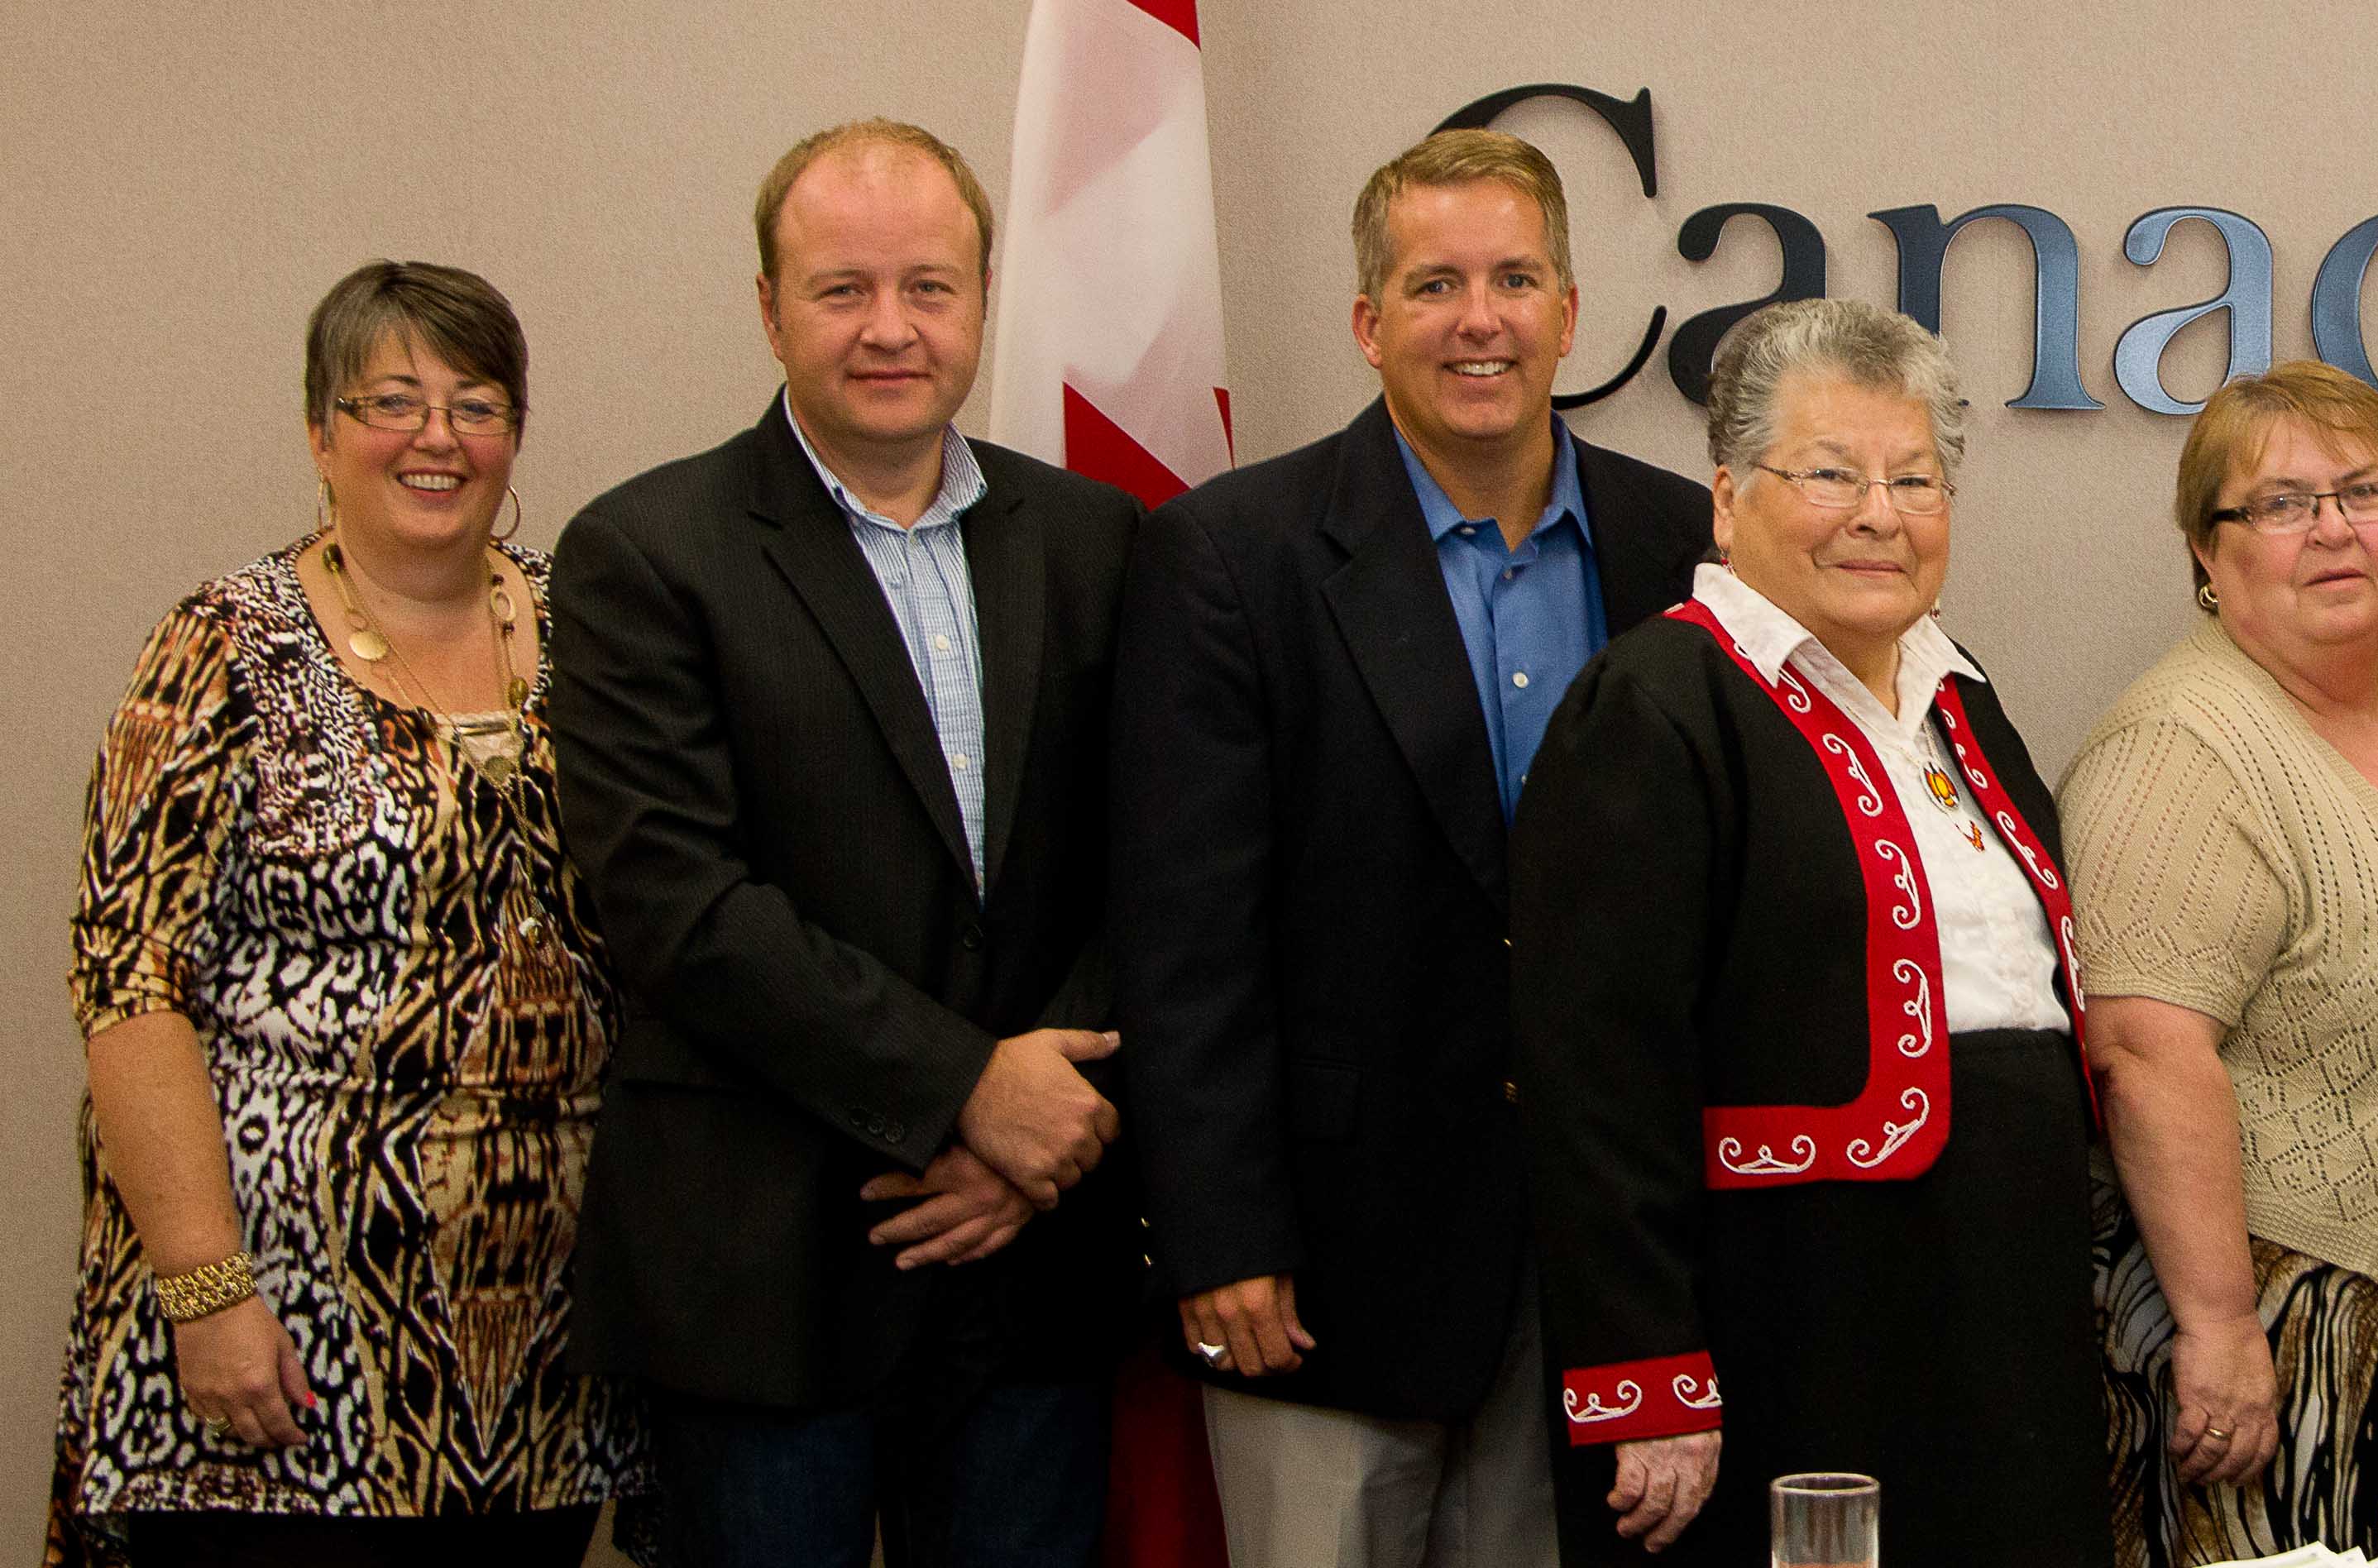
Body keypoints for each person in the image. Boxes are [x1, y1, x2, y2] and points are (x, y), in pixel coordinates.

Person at [547, 117, 1147, 1567]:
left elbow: (1160, 861)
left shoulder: (1100, 538)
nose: (892, 329)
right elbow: (671, 902)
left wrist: (1035, 1129)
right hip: (763, 1277)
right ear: (768, 306)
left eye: (929, 288)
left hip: (1033, 1262)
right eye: (843, 290)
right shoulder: (645, 551)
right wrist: (965, 1091)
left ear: (983, 300)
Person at [1108, 127, 1711, 1568]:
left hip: (1587, 1258)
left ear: (1571, 313)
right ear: (1371, 324)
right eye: (1435, 284)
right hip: (1324, 1262)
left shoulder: (1681, 540)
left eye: (1515, 278)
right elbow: (1184, 933)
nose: (1480, 318)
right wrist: (1220, 1233)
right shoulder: (1230, 556)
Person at [49, 261, 648, 1566]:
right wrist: (209, 1295)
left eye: (476, 404)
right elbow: (129, 983)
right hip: (280, 1335)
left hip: (544, 1343)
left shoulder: (599, 621)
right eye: (392, 400)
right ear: (321, 435)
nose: (437, 437)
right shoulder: (221, 644)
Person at [1511, 298, 2108, 1566]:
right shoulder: (1653, 705)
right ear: (1728, 500)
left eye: (1914, 478)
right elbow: (1595, 1078)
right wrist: (1649, 1377)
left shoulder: (1963, 695)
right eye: (1830, 474)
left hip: (1995, 1303)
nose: (1878, 514)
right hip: (1793, 1319)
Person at [2062, 360, 2378, 1567]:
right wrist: (2221, 1326)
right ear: (2208, 557)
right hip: (2289, 1347)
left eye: (2365, 490)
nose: (2331, 529)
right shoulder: (2179, 745)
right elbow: (2141, 1051)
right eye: (2278, 503)